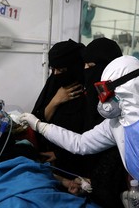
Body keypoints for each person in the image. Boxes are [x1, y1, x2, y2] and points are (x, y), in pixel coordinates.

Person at [19, 55, 139, 208]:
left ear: (126, 87)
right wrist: (38, 125)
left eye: (103, 91)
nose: (102, 100)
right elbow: (79, 144)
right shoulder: (116, 125)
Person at [0, 100, 99, 208]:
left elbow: (35, 169)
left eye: (1, 110)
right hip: (0, 195)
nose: (0, 113)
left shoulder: (23, 146)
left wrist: (65, 182)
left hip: (39, 188)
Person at [31, 39, 96, 179]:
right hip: (49, 162)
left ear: (74, 66)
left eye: (61, 70)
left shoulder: (90, 91)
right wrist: (55, 101)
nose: (55, 74)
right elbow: (38, 120)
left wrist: (60, 155)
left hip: (77, 165)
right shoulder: (54, 83)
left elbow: (90, 137)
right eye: (53, 69)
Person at [82, 37, 128, 208]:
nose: (86, 71)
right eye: (85, 66)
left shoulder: (124, 105)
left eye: (92, 67)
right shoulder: (88, 96)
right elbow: (82, 142)